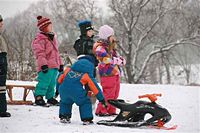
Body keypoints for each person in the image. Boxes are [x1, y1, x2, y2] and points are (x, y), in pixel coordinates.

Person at [57, 55, 106, 125]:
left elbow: (59, 79)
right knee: (85, 102)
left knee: (65, 102)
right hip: (76, 92)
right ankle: (86, 119)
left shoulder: (67, 70)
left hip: (63, 91)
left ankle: (64, 116)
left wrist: (57, 91)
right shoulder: (86, 75)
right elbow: (94, 86)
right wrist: (101, 98)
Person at [93, 25, 126, 116]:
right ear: (106, 37)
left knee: (115, 93)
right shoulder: (100, 48)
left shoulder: (110, 47)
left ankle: (111, 110)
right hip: (107, 74)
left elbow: (114, 57)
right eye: (111, 36)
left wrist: (120, 59)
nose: (113, 38)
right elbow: (104, 60)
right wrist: (116, 61)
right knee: (108, 93)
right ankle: (101, 110)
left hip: (114, 73)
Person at [31, 16, 63, 106]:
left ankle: (50, 97)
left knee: (52, 83)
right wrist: (43, 64)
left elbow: (56, 52)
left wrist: (60, 64)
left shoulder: (52, 38)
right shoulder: (40, 39)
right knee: (44, 81)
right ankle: (39, 96)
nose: (51, 27)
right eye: (49, 26)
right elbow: (39, 53)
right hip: (46, 66)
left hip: (54, 66)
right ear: (44, 28)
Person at [0, 15, 11, 117]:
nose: (2, 24)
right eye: (0, 22)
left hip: (2, 62)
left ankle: (2, 109)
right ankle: (1, 109)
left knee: (2, 86)